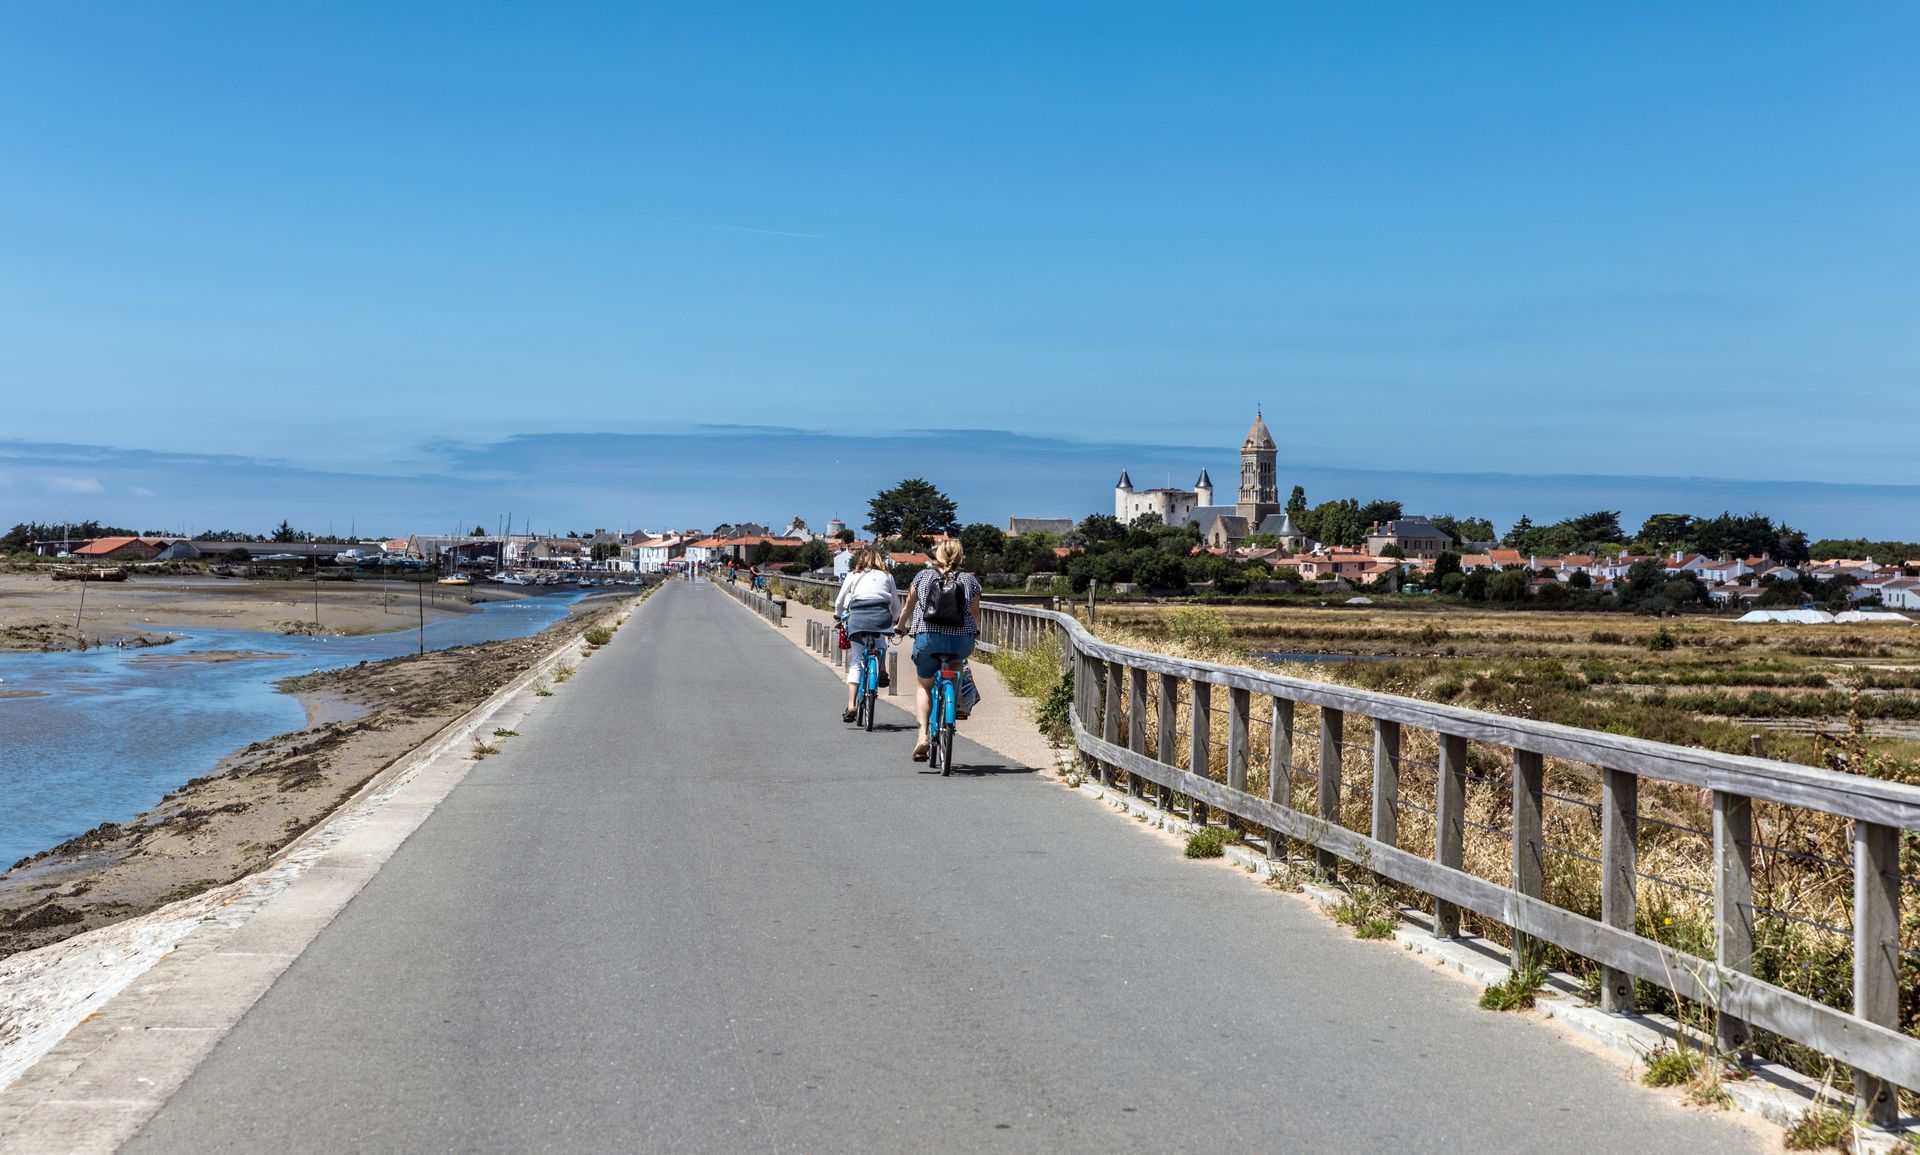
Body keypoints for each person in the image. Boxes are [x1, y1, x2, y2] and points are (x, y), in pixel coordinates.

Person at [894, 540, 982, 761]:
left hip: (928, 638)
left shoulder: (922, 577)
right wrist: (976, 631)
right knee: (956, 664)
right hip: (960, 640)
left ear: (937, 555)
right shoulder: (970, 580)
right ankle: (956, 702)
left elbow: (908, 607)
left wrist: (900, 626)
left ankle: (922, 735)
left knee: (924, 684)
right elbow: (974, 612)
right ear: (960, 556)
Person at [833, 546, 899, 722]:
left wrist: (838, 615)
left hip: (858, 619)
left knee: (856, 662)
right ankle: (882, 670)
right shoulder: (888, 576)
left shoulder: (853, 575)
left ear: (860, 560)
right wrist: (894, 619)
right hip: (881, 618)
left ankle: (852, 705)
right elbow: (896, 604)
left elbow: (840, 601)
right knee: (882, 642)